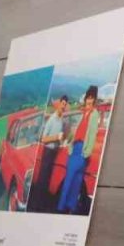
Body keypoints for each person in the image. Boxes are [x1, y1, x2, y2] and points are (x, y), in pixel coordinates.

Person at [57, 85, 100, 214]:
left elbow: (92, 134)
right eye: (88, 97)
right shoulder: (83, 112)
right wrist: (69, 144)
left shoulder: (94, 114)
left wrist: (85, 153)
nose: (89, 100)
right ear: (86, 98)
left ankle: (63, 207)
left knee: (72, 180)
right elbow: (76, 132)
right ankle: (69, 207)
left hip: (81, 151)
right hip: (75, 148)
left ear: (94, 100)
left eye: (92, 98)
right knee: (74, 180)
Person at [29, 94, 69, 212]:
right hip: (48, 152)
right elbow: (43, 138)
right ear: (59, 104)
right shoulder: (52, 119)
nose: (64, 106)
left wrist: (63, 138)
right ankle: (36, 206)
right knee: (42, 180)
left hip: (55, 151)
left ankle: (42, 205)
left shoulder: (62, 120)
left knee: (47, 179)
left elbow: (60, 137)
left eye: (65, 105)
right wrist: (57, 137)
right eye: (62, 104)